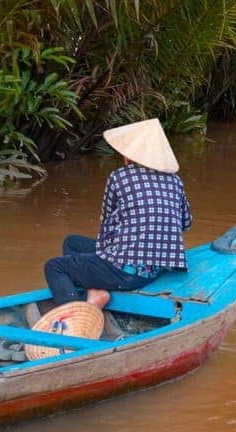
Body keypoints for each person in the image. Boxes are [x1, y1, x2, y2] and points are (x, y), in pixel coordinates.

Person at [44, 118, 191, 310]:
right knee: (72, 242)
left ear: (130, 155)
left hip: (124, 273)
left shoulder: (119, 177)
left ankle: (78, 315)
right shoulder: (175, 181)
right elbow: (185, 223)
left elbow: (106, 221)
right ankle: (96, 291)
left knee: (54, 267)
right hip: (153, 271)